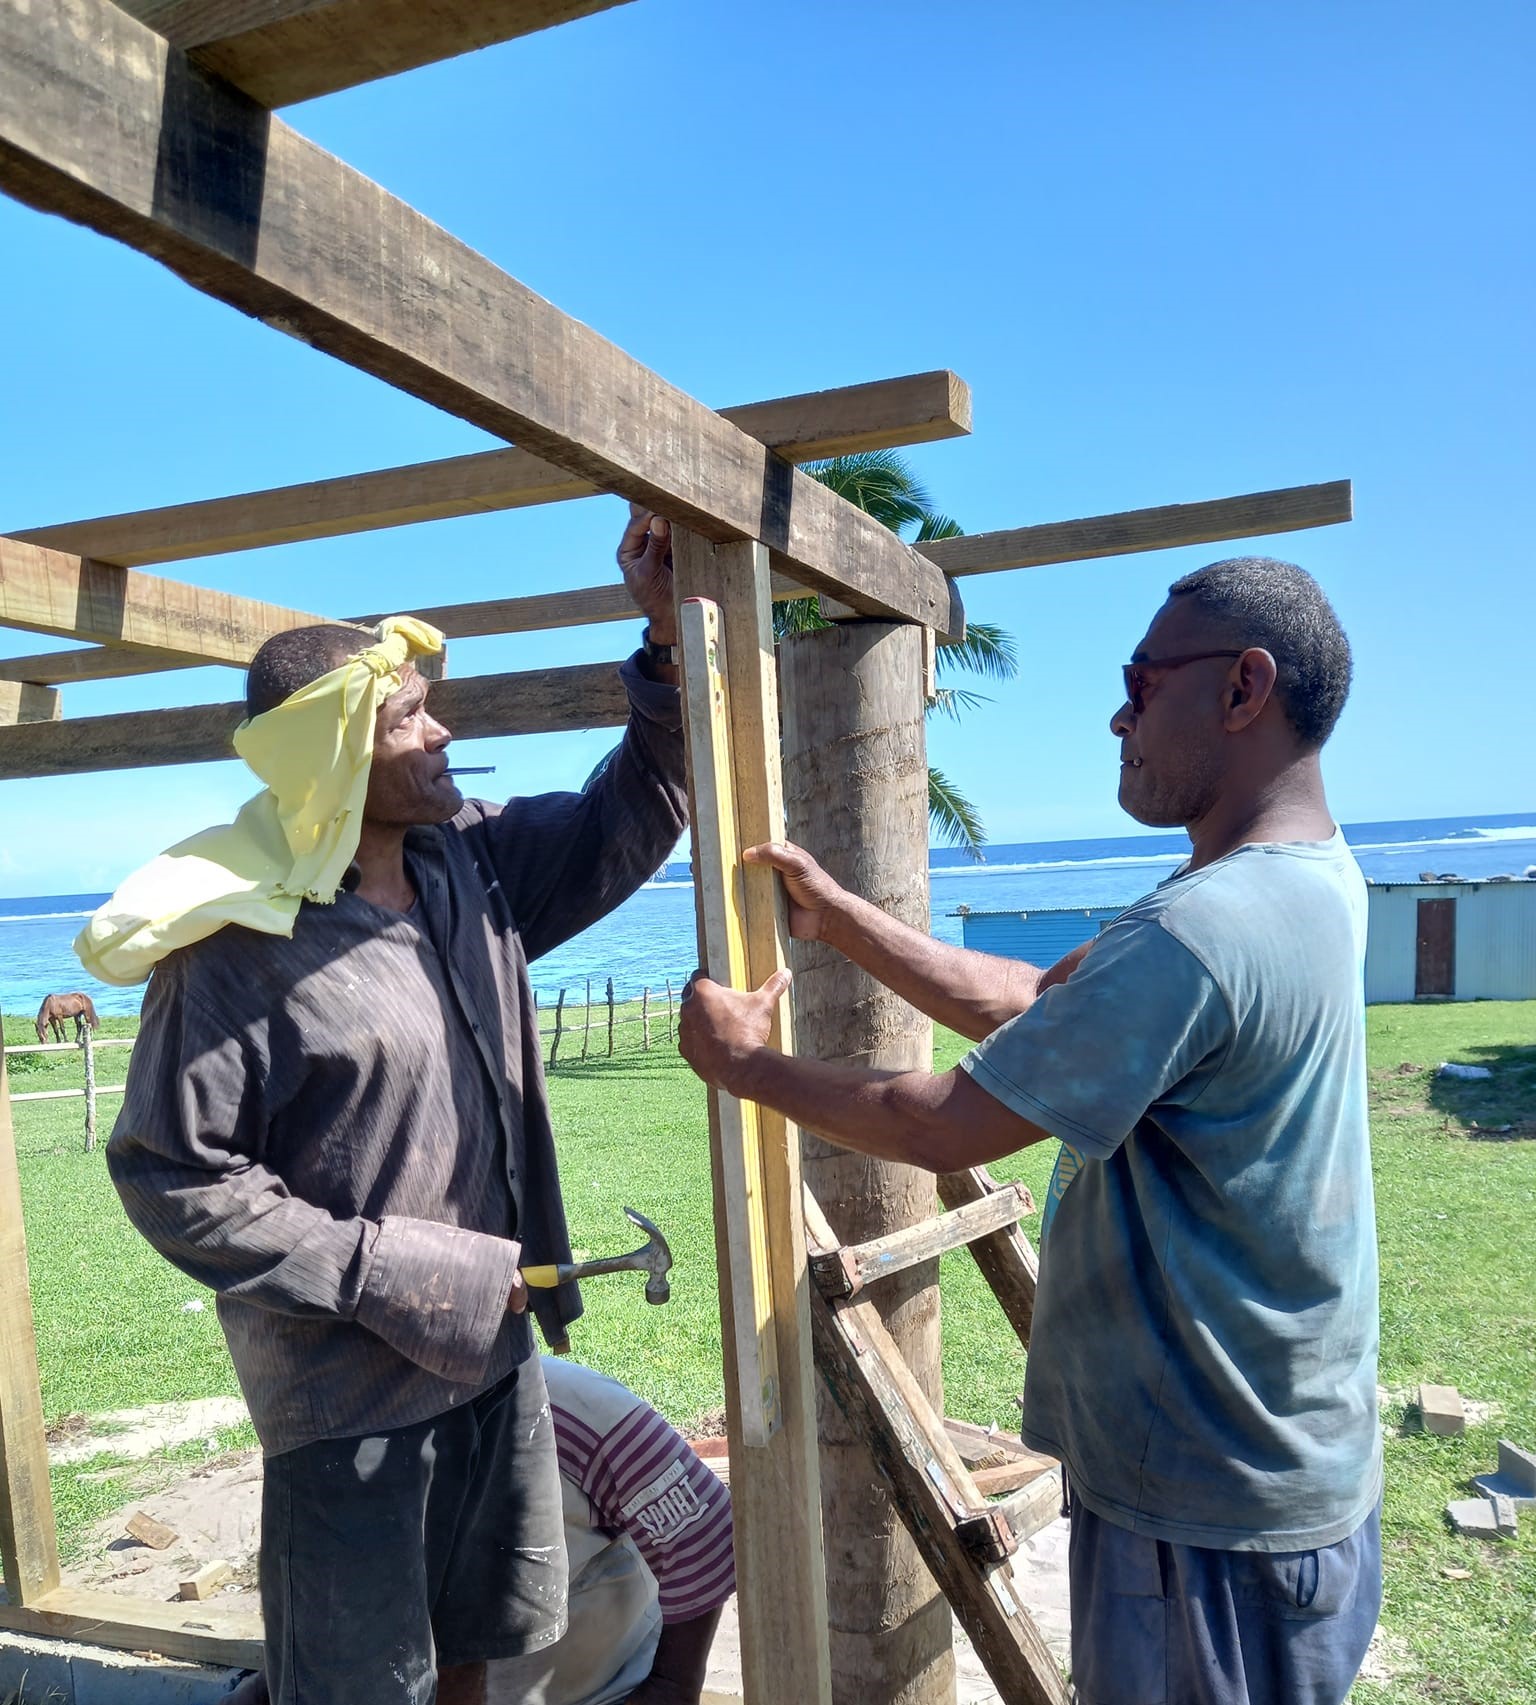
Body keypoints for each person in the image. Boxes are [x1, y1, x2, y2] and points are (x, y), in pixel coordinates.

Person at [678, 557, 1382, 1705]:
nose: (1120, 711)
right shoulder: (1304, 887)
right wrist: (844, 921)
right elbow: (1037, 1006)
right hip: (1267, 1480)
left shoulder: (1204, 927)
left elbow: (948, 1123)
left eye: (1142, 680)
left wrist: (742, 1064)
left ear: (1245, 687)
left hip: (1208, 1520)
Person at [98, 507, 688, 1705]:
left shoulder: (468, 865)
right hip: (346, 1400)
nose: (444, 730)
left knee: (474, 1651)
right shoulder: (233, 955)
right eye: (410, 715)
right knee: (362, 1685)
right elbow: (171, 1171)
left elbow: (636, 813)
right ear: (332, 759)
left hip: (488, 1360)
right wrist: (388, 1268)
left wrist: (666, 641)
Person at [229, 1354, 735, 1705]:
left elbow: (705, 1531)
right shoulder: (339, 1444)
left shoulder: (571, 1408)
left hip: (606, 1689)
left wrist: (671, 1688)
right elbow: (331, 1615)